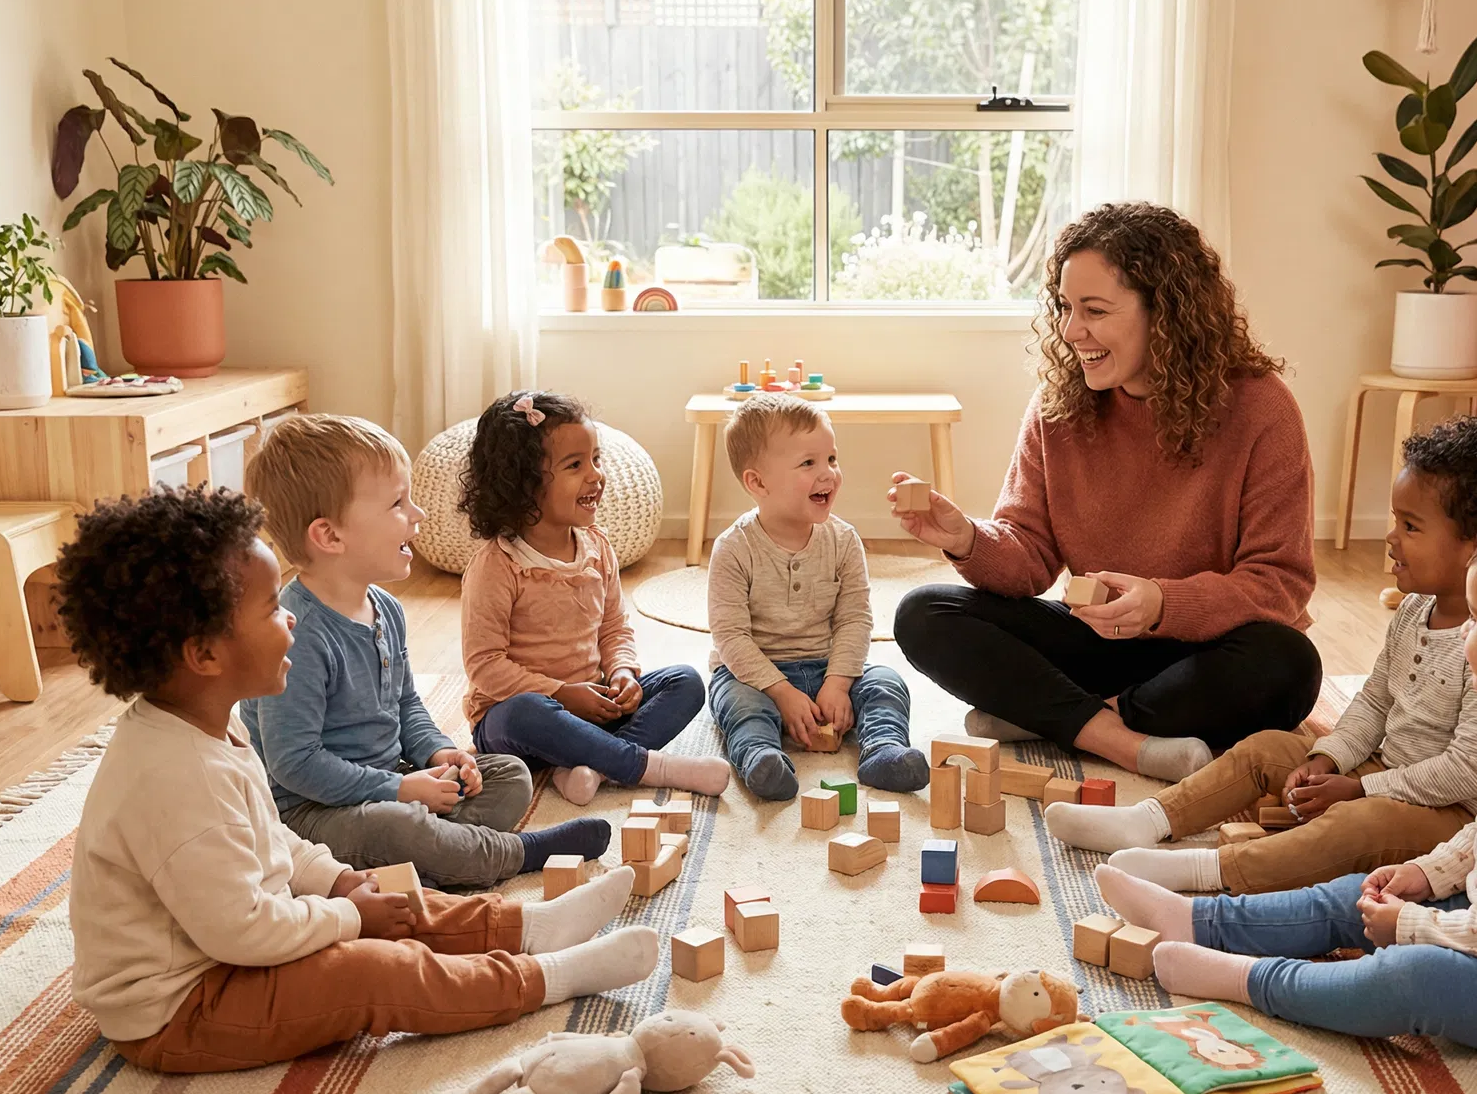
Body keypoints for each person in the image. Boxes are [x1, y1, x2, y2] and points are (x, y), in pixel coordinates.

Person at [56, 487, 658, 1074]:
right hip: (185, 1005)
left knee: (388, 896)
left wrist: (340, 880)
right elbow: (241, 932)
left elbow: (272, 837)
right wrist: (348, 919)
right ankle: (546, 978)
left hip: (234, 945)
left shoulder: (206, 724)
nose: (290, 615)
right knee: (371, 969)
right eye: (270, 609)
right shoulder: (173, 778)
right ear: (205, 656)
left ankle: (530, 928)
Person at [1093, 513, 1477, 1056]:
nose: (1463, 630)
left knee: (1410, 976)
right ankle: (1198, 923)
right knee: (1356, 894)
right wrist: (1427, 874)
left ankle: (1250, 980)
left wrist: (1418, 926)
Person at [891, 201, 1320, 782]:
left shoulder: (1260, 408)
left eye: (1094, 310)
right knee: (924, 612)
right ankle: (1123, 741)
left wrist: (1162, 603)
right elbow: (1031, 557)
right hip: (1094, 643)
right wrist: (966, 538)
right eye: (1066, 308)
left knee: (1289, 665)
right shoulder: (1059, 405)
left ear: (1165, 314)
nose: (1071, 332)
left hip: (1202, 653)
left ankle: (1054, 716)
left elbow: (1280, 584)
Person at [1054, 416, 1477, 895]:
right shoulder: (1414, 610)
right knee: (1266, 748)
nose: (1389, 537)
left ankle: (1206, 871)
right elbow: (1373, 701)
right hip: (1382, 770)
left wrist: (1361, 791)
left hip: (1450, 814)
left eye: (1410, 526)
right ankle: (1147, 820)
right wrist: (1329, 758)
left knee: (1357, 824)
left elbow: (1468, 770)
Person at [241, 413, 606, 887]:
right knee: (394, 827)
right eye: (398, 503)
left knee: (509, 775)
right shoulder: (300, 633)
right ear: (330, 536)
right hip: (314, 814)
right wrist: (396, 789)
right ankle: (512, 853)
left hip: (392, 778)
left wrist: (438, 755)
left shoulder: (386, 609)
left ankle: (430, 859)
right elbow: (295, 764)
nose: (418, 514)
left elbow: (407, 704)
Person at [462, 392, 727, 805]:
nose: (595, 476)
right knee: (526, 712)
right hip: (517, 721)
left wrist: (621, 671)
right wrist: (562, 693)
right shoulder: (498, 565)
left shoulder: (596, 547)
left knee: (686, 681)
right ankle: (646, 766)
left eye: (596, 460)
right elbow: (485, 665)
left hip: (593, 703)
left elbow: (614, 627)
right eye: (575, 465)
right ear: (523, 483)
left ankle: (591, 768)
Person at [706, 394, 929, 800]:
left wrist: (839, 683)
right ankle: (761, 759)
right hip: (756, 675)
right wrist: (781, 692)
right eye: (809, 463)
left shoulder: (843, 540)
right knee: (738, 703)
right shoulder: (733, 548)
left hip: (829, 666)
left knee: (886, 681)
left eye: (831, 459)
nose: (828, 473)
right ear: (757, 483)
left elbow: (855, 619)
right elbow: (730, 638)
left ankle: (883, 751)